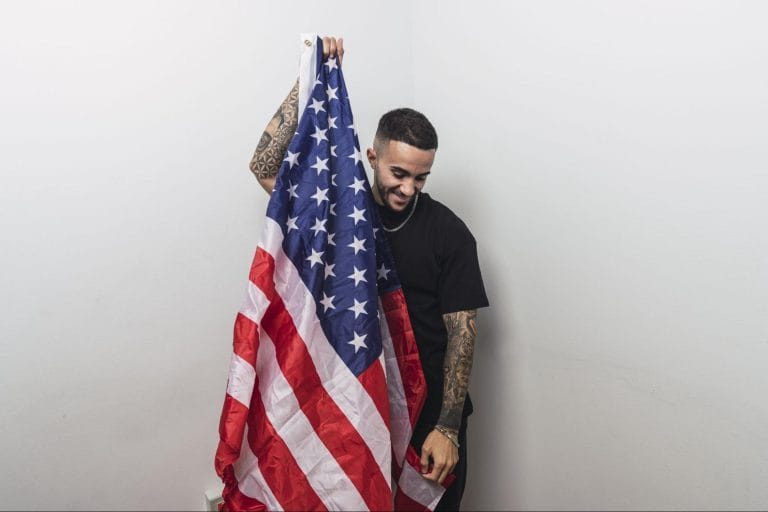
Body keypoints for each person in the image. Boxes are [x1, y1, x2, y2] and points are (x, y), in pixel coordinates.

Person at [248, 36, 489, 511]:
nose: (408, 188)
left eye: (421, 178)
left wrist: (448, 427)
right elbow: (264, 167)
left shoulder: (449, 232)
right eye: (399, 173)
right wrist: (311, 75)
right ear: (372, 158)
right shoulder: (341, 210)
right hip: (359, 394)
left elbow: (463, 332)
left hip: (429, 412)